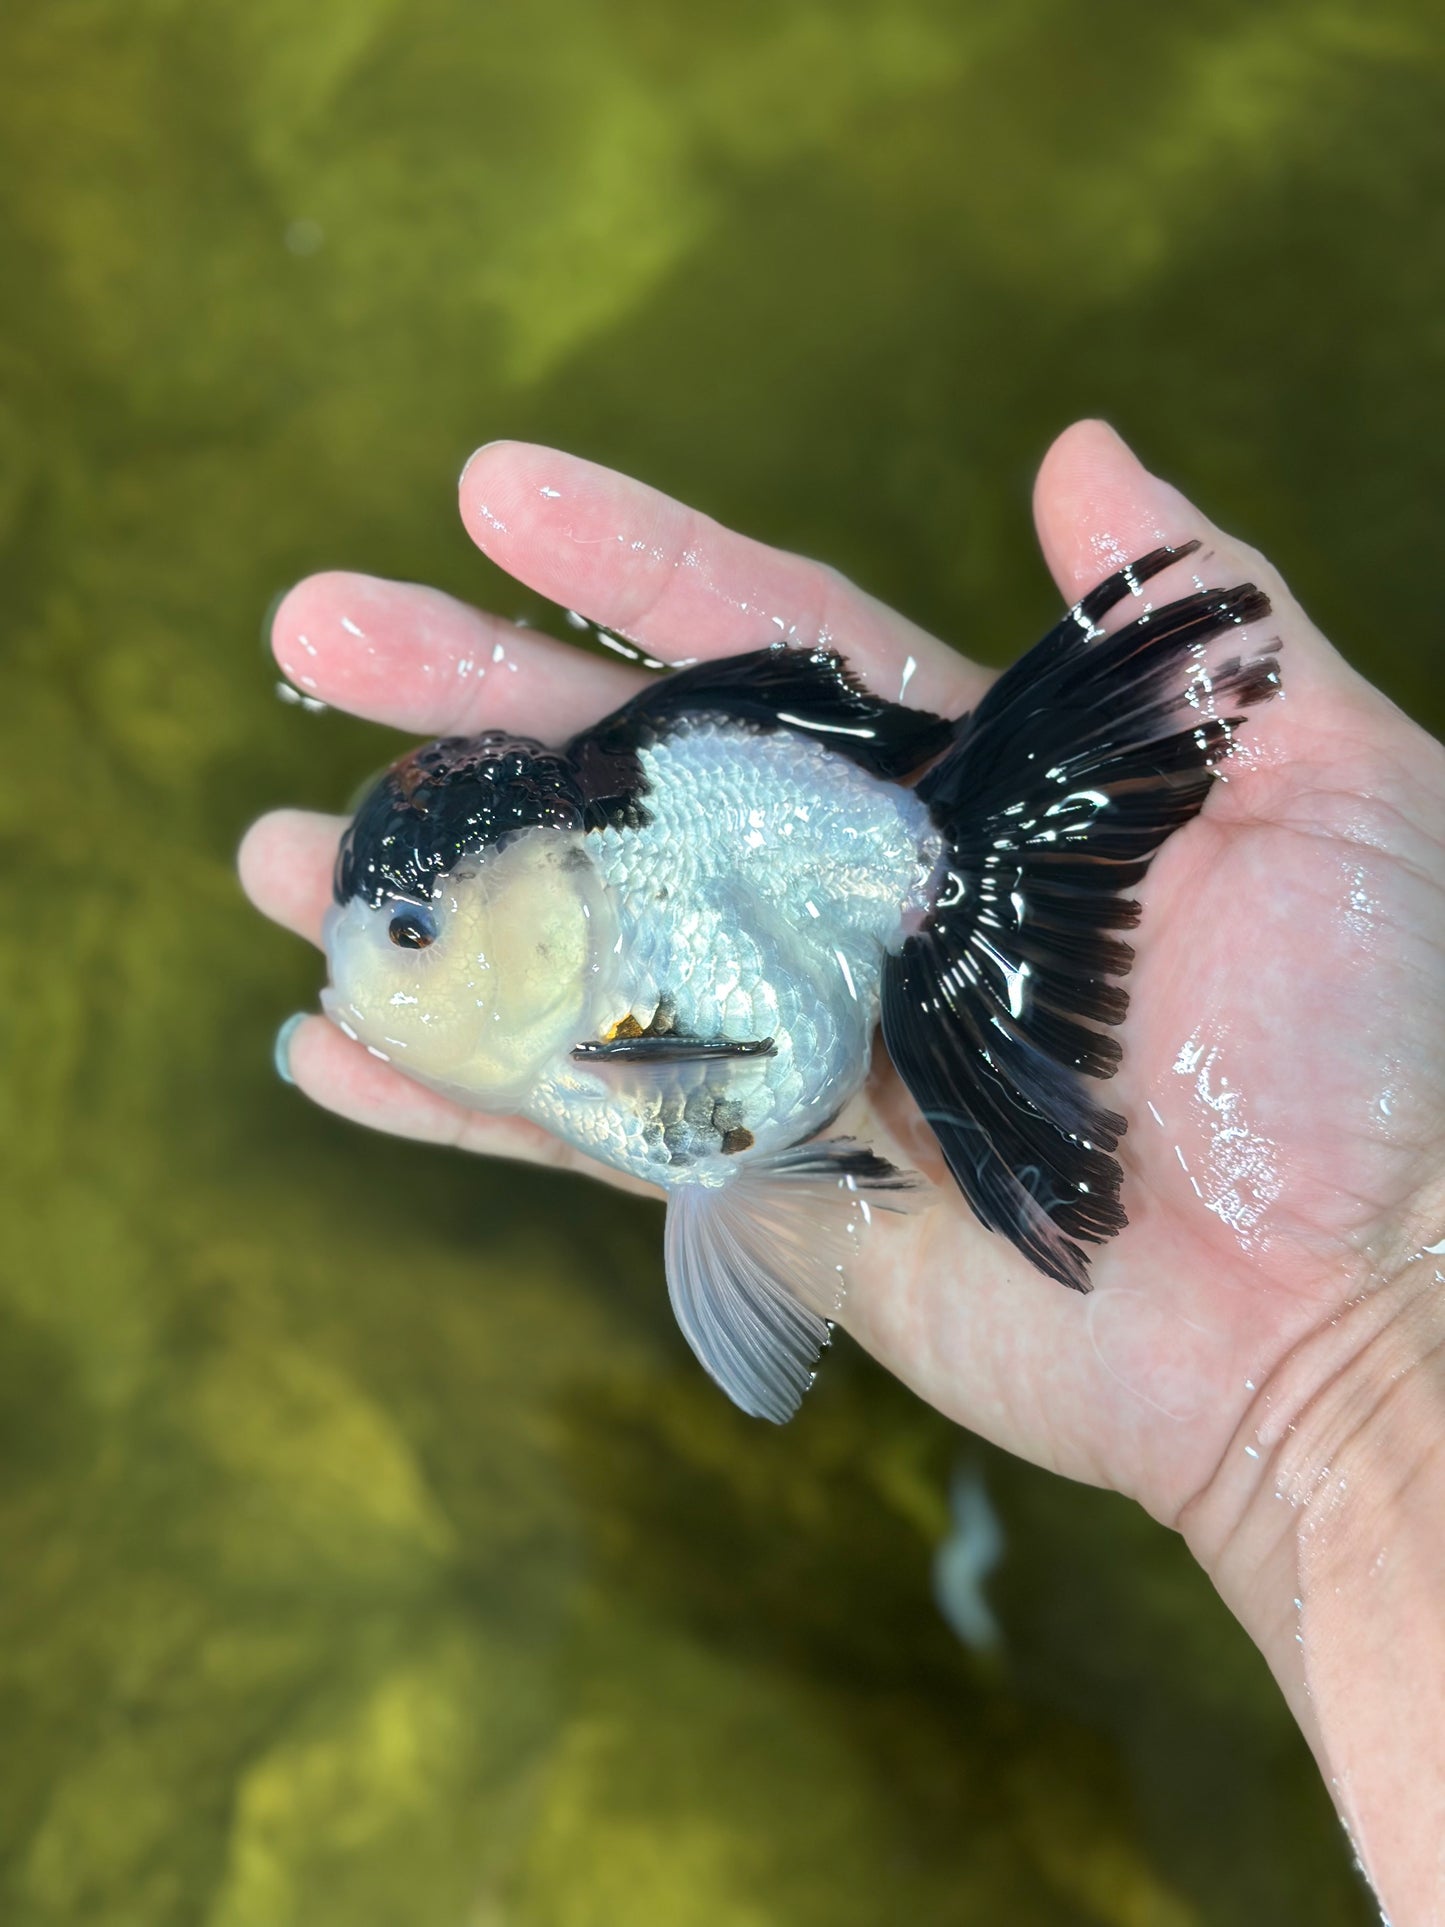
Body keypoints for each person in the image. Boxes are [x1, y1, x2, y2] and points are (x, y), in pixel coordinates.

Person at [240, 421, 1445, 1923]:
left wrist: (1379, 1301)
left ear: (528, 902)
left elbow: (730, 1113)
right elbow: (733, 1150)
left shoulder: (651, 888)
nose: (373, 984)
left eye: (410, 939)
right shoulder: (579, 1006)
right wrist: (1364, 1359)